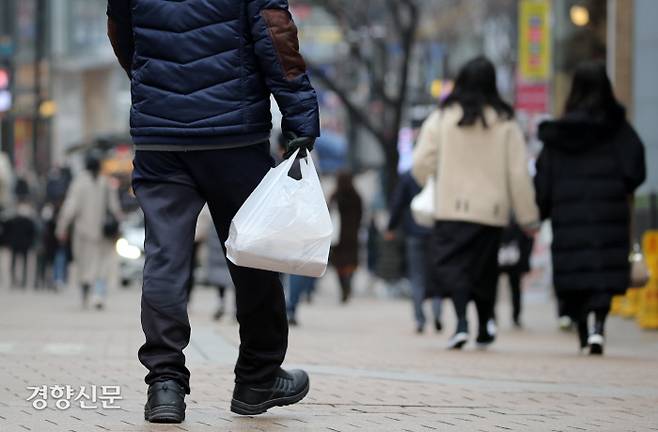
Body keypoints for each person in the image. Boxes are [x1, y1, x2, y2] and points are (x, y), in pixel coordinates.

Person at [106, 0, 319, 422]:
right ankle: (258, 377)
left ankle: (165, 385)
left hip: (160, 136)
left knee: (165, 259)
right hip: (233, 134)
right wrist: (300, 115)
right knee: (253, 254)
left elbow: (121, 34)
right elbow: (275, 35)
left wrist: (157, 85)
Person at [412, 56, 539, 350]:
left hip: (451, 208)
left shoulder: (443, 118)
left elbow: (420, 163)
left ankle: (460, 322)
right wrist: (528, 217)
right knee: (484, 270)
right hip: (491, 212)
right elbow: (518, 173)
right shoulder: (506, 122)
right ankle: (485, 324)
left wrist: (430, 179)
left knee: (454, 267)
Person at [535, 61, 646, 355]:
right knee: (602, 272)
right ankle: (598, 325)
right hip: (608, 214)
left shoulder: (558, 135)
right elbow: (636, 167)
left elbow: (543, 177)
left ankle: (584, 328)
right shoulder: (618, 130)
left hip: (568, 215)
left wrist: (543, 208)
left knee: (577, 272)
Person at [56, 152, 122, 309]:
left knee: (85, 266)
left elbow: (70, 207)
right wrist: (119, 224)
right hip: (102, 233)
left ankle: (87, 292)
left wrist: (62, 227)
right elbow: (115, 208)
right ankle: (98, 294)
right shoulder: (105, 182)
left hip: (83, 233)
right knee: (101, 265)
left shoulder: (79, 183)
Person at [386, 171, 443, 334]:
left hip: (414, 234)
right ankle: (437, 314)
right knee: (436, 276)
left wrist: (391, 226)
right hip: (436, 234)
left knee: (417, 278)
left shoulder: (409, 176)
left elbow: (397, 203)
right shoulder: (439, 175)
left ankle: (419, 319)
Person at [330, 172, 363, 303]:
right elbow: (361, 215)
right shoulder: (357, 197)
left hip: (338, 237)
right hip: (352, 236)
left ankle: (343, 286)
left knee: (339, 264)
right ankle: (348, 281)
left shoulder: (334, 197)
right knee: (351, 262)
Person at [496, 221, 534, 328]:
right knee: (497, 287)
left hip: (511, 252)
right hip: (505, 250)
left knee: (514, 288)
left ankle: (514, 316)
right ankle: (495, 316)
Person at [5, 200, 37, 289]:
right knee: (16, 263)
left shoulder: (17, 220)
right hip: (20, 245)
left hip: (20, 245)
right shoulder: (18, 220)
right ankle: (16, 280)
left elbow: (32, 234)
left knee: (19, 264)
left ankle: (19, 281)